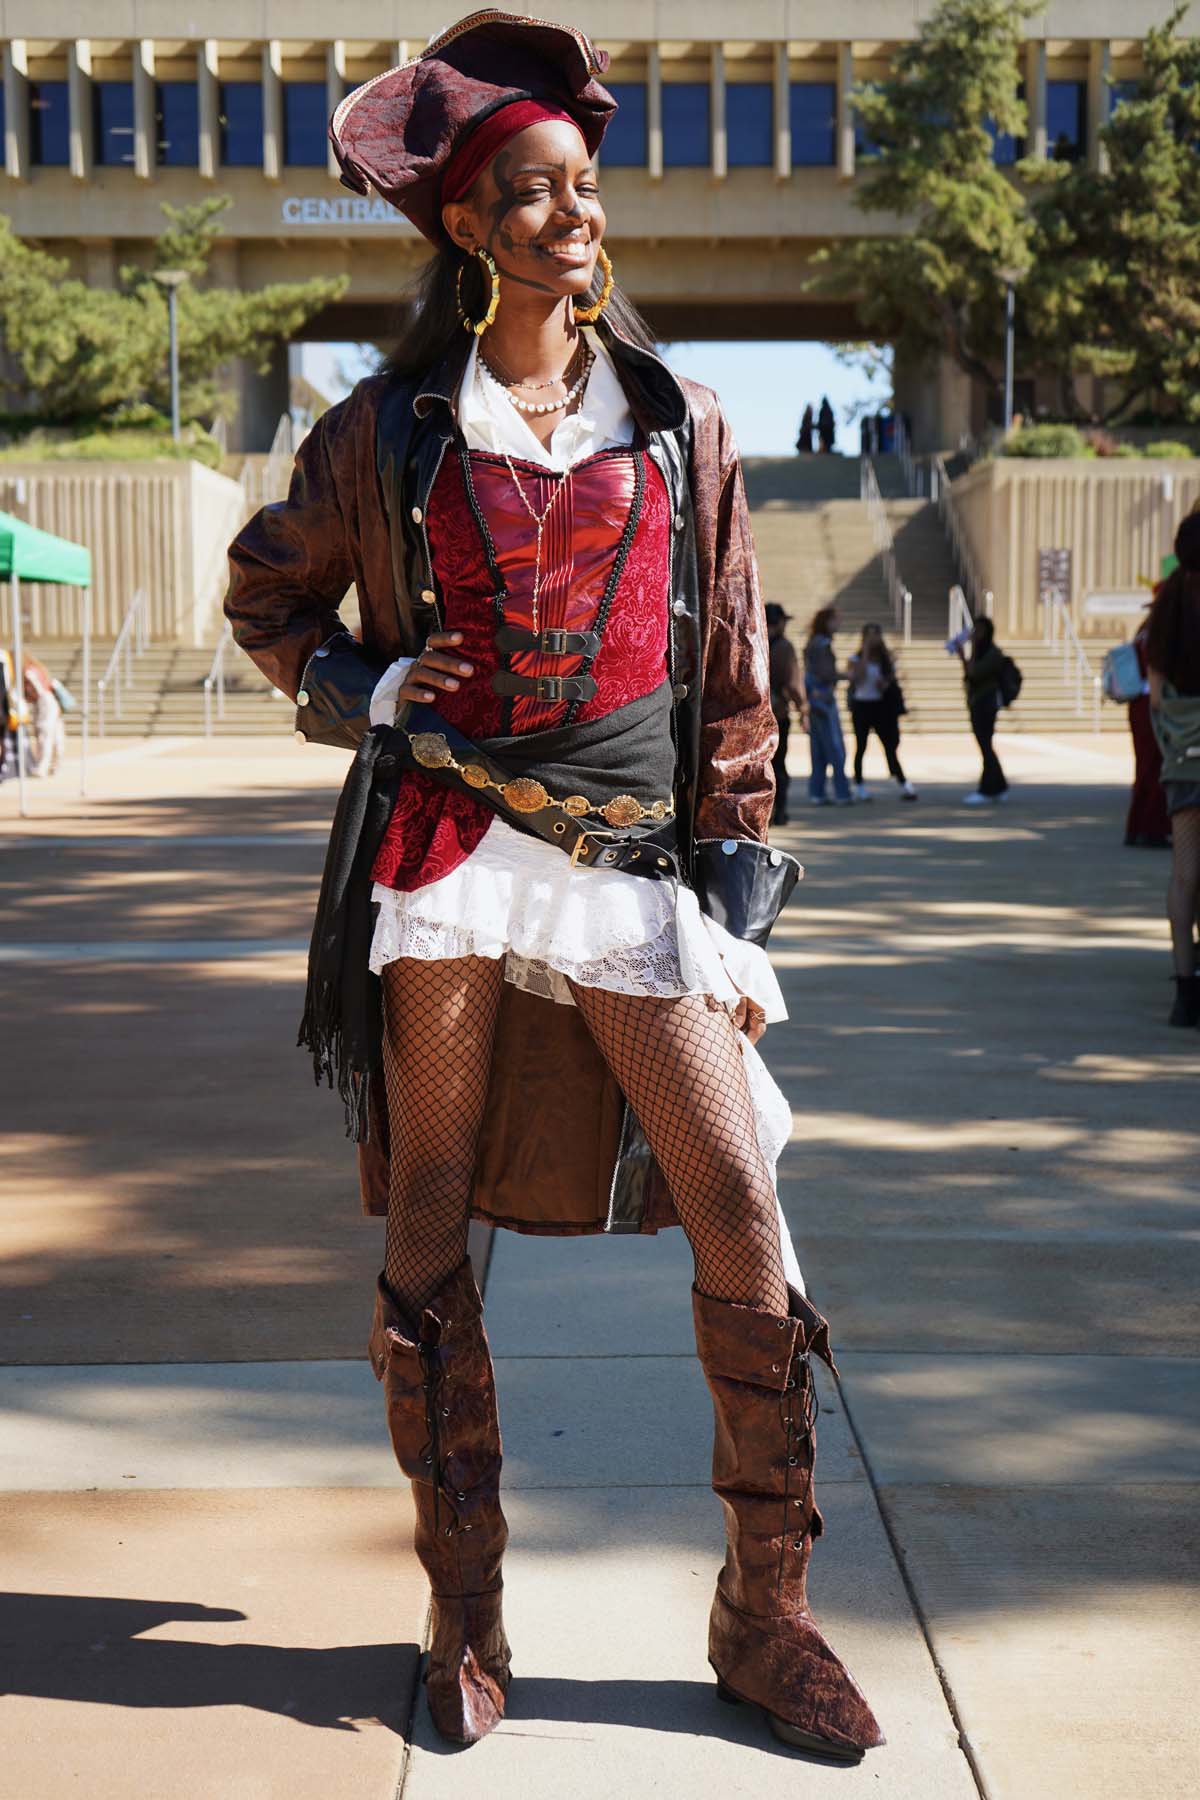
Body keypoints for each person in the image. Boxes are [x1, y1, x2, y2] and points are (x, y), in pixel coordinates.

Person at [224, 14, 882, 1765]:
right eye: (534, 193)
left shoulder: (682, 425)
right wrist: (362, 695)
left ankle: (769, 1612)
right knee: (427, 1215)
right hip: (449, 860)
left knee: (740, 1208)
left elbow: (734, 676)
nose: (574, 217)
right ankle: (468, 1606)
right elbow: (268, 600)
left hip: (633, 872)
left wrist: (737, 869)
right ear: (468, 230)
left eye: (584, 187)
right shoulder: (386, 431)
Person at [1145, 514, 1200, 1026]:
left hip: (1186, 762)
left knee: (1184, 876)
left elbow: (1156, 696)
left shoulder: (1168, 606)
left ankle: (1186, 993)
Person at [847, 624, 917, 802]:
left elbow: (890, 681)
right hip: (861, 706)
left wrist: (885, 683)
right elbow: (858, 678)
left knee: (889, 746)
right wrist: (865, 652)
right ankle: (859, 785)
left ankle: (903, 782)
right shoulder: (855, 658)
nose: (872, 640)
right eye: (868, 636)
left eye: (875, 636)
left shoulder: (886, 659)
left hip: (881, 707)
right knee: (861, 746)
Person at [1124, 607, 1171, 848]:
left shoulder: (1144, 630)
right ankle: (1151, 829)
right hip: (1151, 705)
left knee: (1145, 768)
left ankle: (1137, 827)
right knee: (1156, 767)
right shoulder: (1158, 632)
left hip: (1140, 706)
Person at [956, 616, 1009, 805]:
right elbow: (968, 675)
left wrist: (967, 654)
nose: (975, 635)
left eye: (978, 631)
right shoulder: (980, 652)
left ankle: (987, 788)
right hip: (976, 702)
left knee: (986, 746)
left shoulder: (992, 653)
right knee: (985, 746)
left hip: (986, 704)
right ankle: (1000, 785)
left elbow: (974, 673)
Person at [804, 605, 852, 805]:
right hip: (824, 700)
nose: (839, 623)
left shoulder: (814, 643)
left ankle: (817, 791)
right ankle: (842, 792)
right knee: (834, 748)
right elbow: (826, 673)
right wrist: (845, 675)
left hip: (816, 700)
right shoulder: (822, 644)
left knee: (819, 749)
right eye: (836, 619)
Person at [766, 603, 806, 824]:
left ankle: (763, 813)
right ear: (779, 622)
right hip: (778, 713)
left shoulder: (752, 641)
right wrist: (803, 708)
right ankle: (779, 812)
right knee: (778, 765)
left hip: (753, 714)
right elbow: (793, 682)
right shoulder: (784, 647)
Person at [24, 655, 65, 779]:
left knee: (44, 734)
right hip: (52, 701)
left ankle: (43, 766)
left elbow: (38, 690)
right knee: (56, 734)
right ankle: (57, 763)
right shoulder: (41, 670)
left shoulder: (29, 671)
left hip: (44, 702)